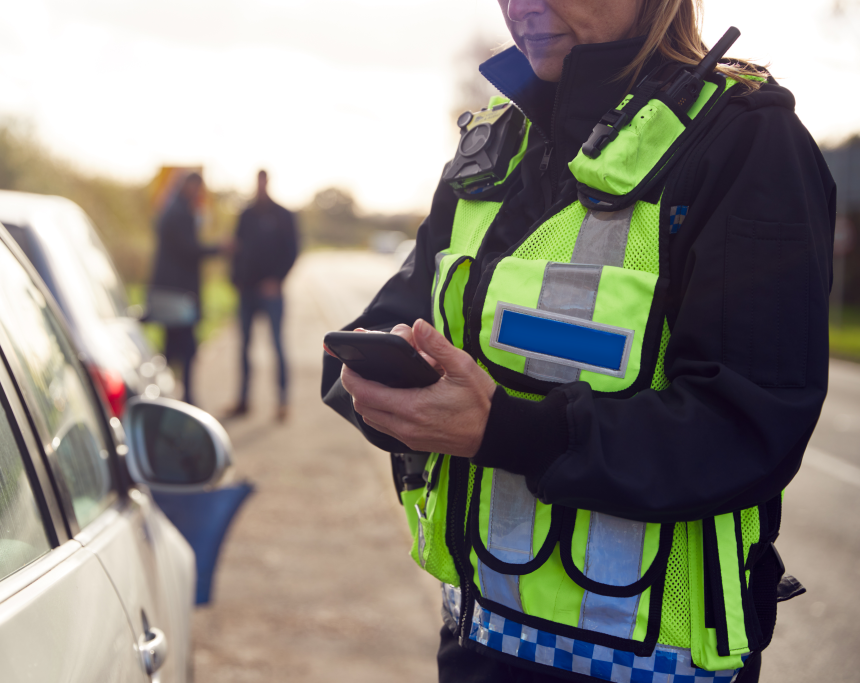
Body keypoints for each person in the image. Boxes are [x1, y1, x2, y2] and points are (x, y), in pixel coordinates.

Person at [321, 1, 835, 682]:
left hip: (660, 667)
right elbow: (398, 316)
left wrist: (508, 430)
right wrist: (383, 387)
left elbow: (747, 426)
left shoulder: (746, 144)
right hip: (478, 645)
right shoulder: (493, 142)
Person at [230, 170, 299, 421]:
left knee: (277, 345)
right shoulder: (246, 214)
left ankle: (282, 402)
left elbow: (293, 252)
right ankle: (243, 400)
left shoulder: (283, 215)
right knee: (244, 346)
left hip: (271, 292)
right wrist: (235, 280)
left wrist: (277, 280)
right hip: (247, 291)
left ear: (268, 183)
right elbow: (236, 248)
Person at [147, 172, 217, 405]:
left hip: (173, 293)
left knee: (174, 347)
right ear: (190, 187)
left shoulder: (174, 209)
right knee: (184, 349)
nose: (199, 193)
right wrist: (219, 248)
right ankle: (182, 399)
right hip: (178, 295)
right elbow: (189, 250)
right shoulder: (179, 213)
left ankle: (169, 396)